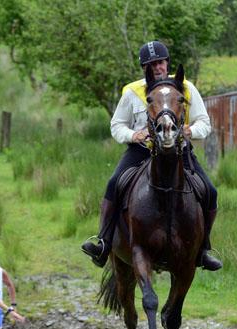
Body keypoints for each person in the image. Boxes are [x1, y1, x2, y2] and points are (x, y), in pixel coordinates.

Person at [81, 41, 222, 271]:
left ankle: (203, 249)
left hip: (178, 152)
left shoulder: (185, 87)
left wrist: (190, 131)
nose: (158, 67)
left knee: (210, 191)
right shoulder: (132, 92)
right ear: (145, 68)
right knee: (114, 184)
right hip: (142, 151)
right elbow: (117, 125)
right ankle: (104, 243)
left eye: (161, 62)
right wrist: (134, 135)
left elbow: (204, 122)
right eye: (152, 64)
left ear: (167, 63)